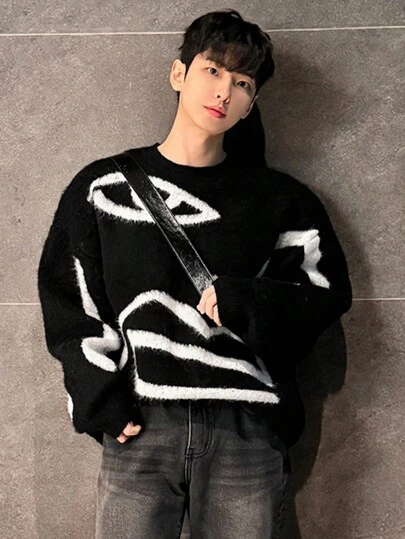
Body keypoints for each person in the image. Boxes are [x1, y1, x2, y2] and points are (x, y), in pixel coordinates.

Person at [37, 8, 352, 539]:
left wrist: (246, 301)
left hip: (244, 427)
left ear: (252, 102)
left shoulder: (280, 200)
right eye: (212, 70)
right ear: (178, 73)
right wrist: (99, 398)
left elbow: (323, 294)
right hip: (140, 422)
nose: (224, 91)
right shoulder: (102, 187)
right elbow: (70, 300)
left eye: (243, 82)